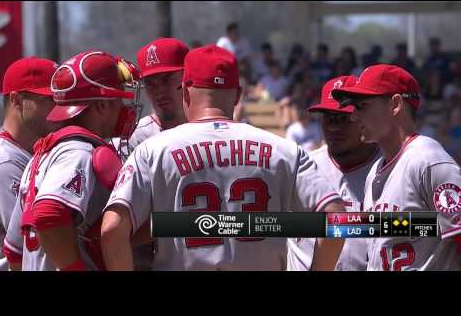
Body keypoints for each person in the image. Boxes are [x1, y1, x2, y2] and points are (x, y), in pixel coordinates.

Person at [100, 44, 346, 271]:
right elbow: (338, 218)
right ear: (238, 95)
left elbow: (111, 229)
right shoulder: (286, 150)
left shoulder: (152, 150)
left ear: (186, 91)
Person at [4, 50, 140, 271]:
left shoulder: (43, 154)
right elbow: (49, 214)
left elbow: (14, 252)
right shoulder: (78, 151)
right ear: (102, 106)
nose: (125, 109)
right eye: (118, 100)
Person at [332, 64, 461, 271]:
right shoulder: (374, 172)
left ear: (395, 104)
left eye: (362, 106)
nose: (354, 117)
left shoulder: (428, 161)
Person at [287, 76, 381, 271]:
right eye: (328, 117)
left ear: (361, 117)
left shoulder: (390, 168)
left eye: (342, 118)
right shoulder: (303, 166)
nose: (333, 127)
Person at [0, 57, 59, 271]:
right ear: (16, 100)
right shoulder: (0, 162)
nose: (57, 107)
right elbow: (38, 239)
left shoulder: (28, 154)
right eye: (48, 99)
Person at [115, 38, 189, 159]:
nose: (160, 92)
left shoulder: (210, 129)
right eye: (150, 84)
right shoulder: (133, 139)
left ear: (186, 77)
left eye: (167, 80)